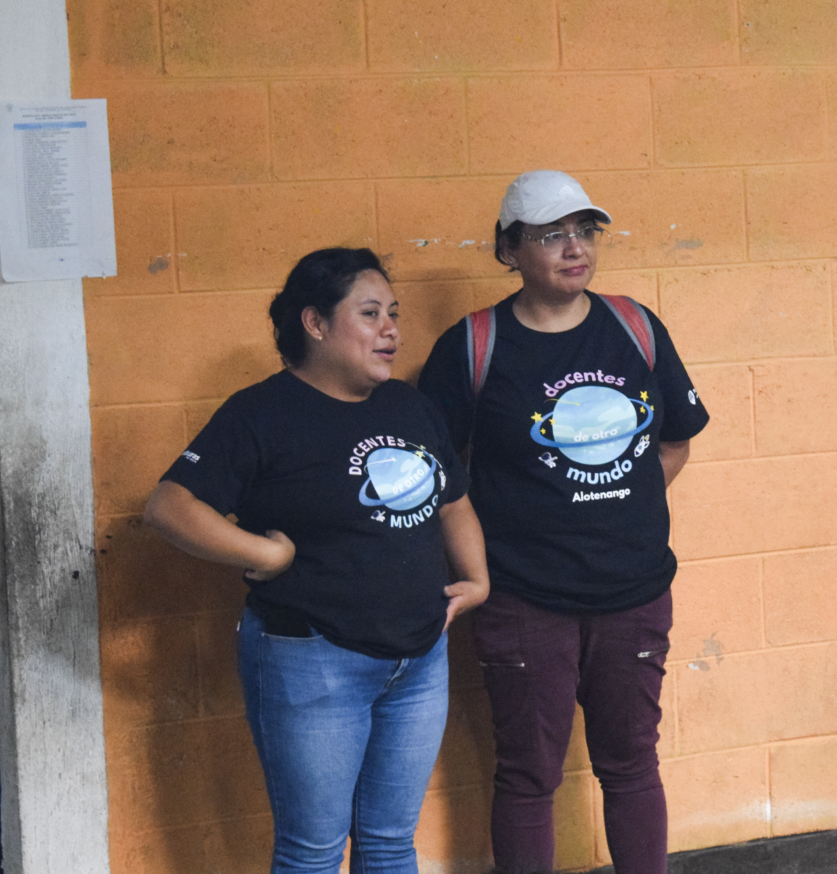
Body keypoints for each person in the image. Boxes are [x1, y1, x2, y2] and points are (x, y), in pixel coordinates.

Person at [144, 247, 489, 874]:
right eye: (370, 313)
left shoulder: (409, 406)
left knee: (391, 842)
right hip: (315, 659)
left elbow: (453, 500)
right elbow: (170, 506)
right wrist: (265, 552)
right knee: (313, 852)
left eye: (393, 313)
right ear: (316, 323)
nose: (391, 329)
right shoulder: (261, 413)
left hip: (418, 659)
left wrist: (477, 579)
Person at [417, 171, 709, 874]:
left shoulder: (634, 327)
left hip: (633, 592)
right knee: (527, 775)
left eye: (585, 231)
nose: (574, 248)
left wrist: (614, 506)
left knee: (631, 763)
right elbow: (435, 475)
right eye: (551, 235)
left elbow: (674, 442)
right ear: (509, 250)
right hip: (524, 598)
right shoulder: (474, 345)